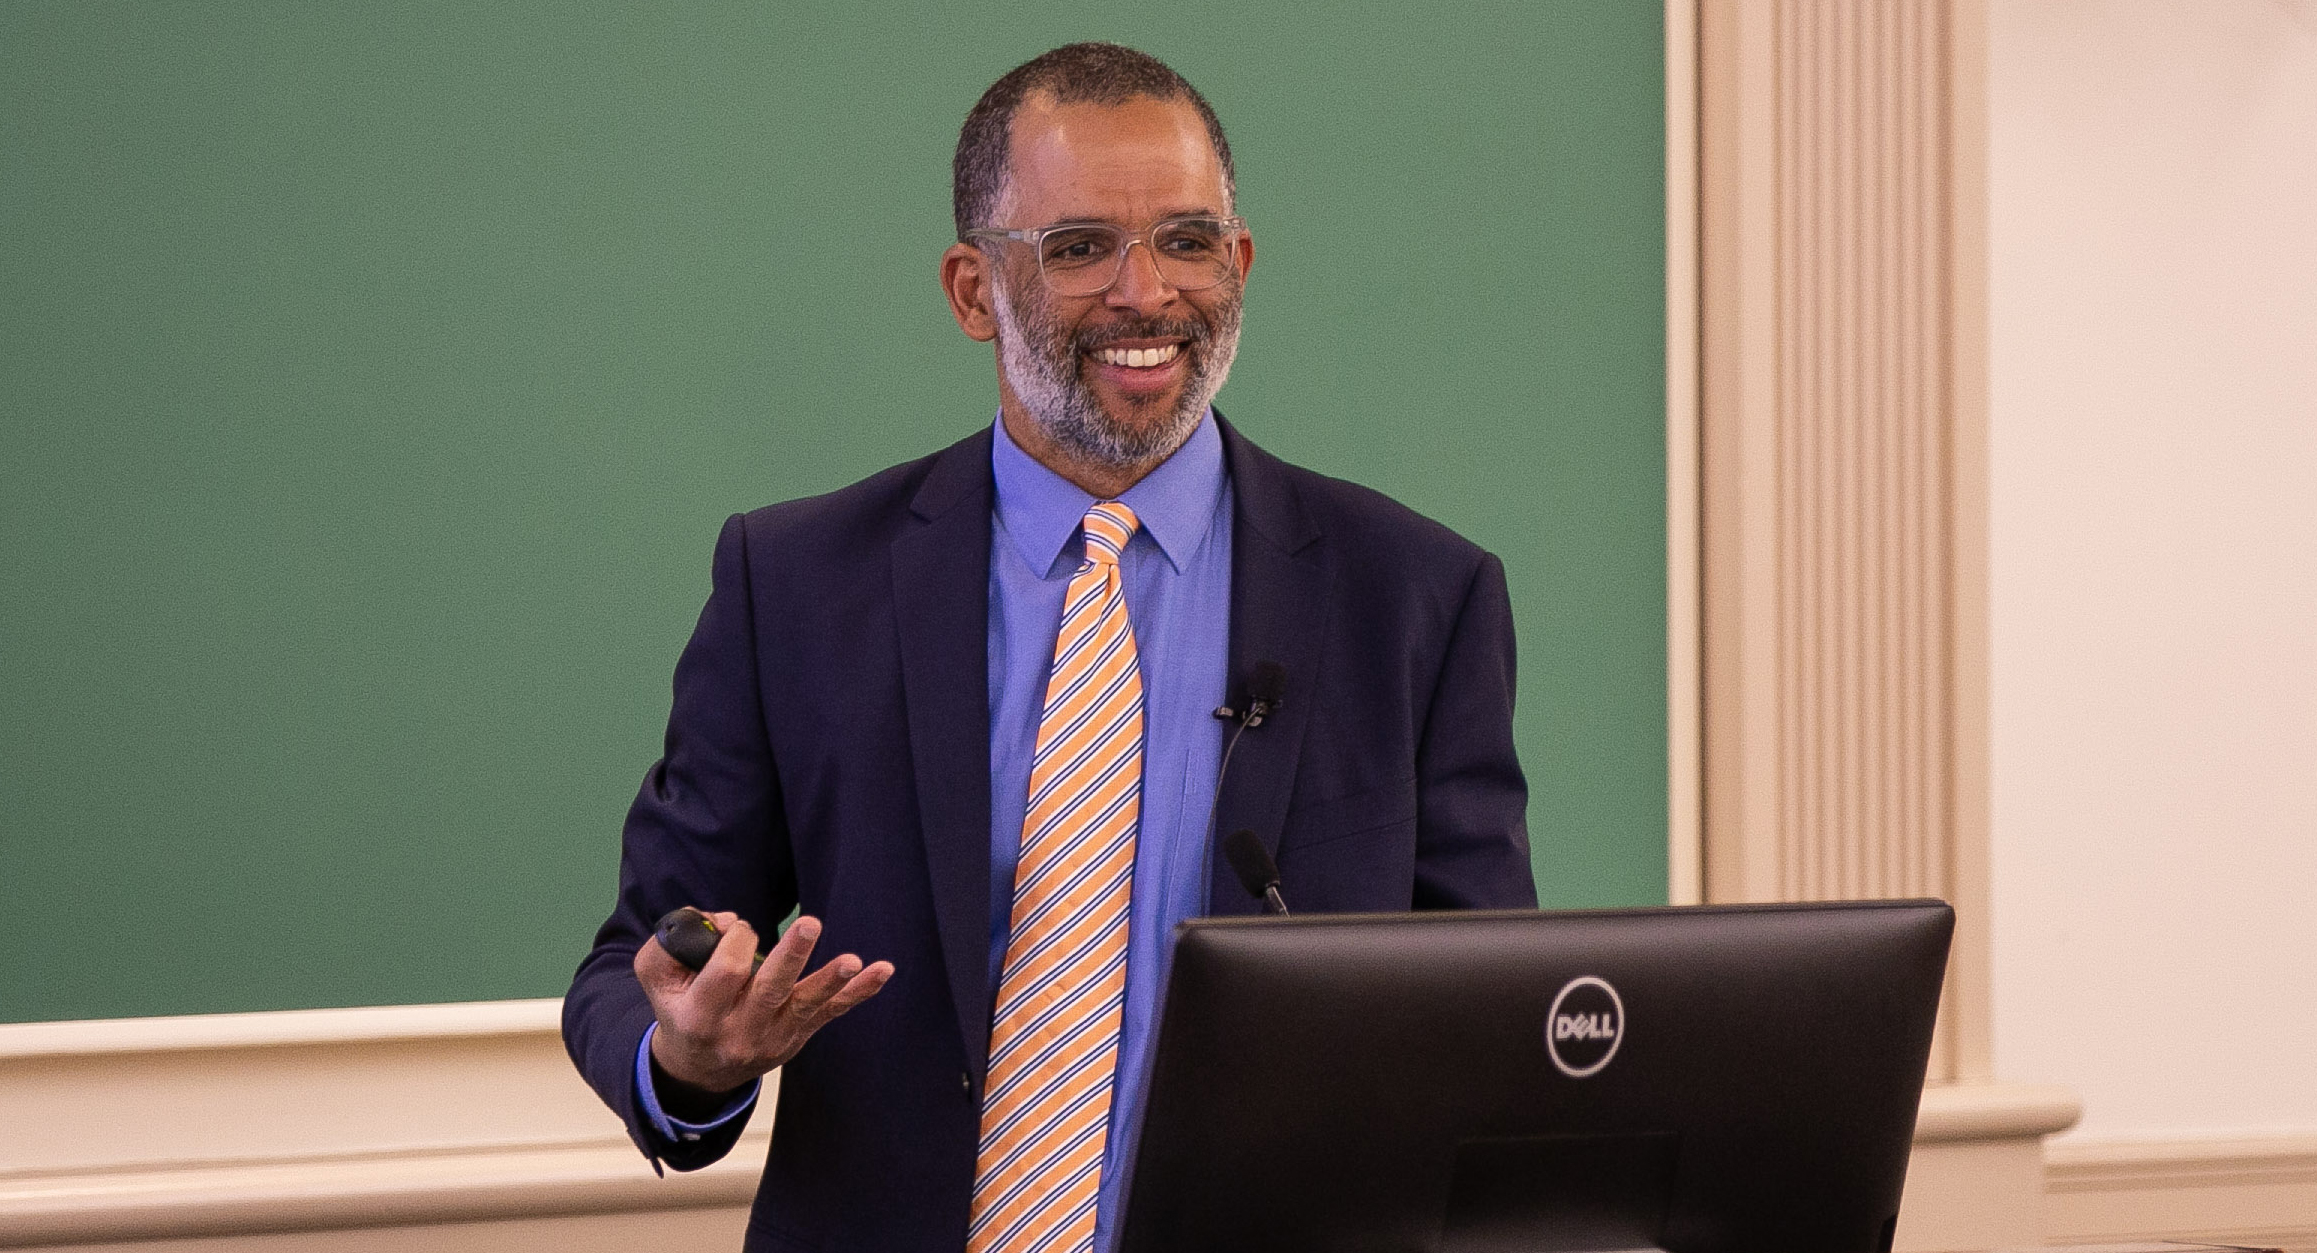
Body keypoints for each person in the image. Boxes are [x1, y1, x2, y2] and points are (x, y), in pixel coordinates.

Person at [562, 41, 1536, 1253]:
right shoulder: (797, 586)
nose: (1146, 292)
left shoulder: (1414, 599)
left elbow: (1495, 1027)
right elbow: (634, 966)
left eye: (1186, 240)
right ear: (974, 292)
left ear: (1237, 261)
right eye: (1079, 248)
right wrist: (688, 1057)